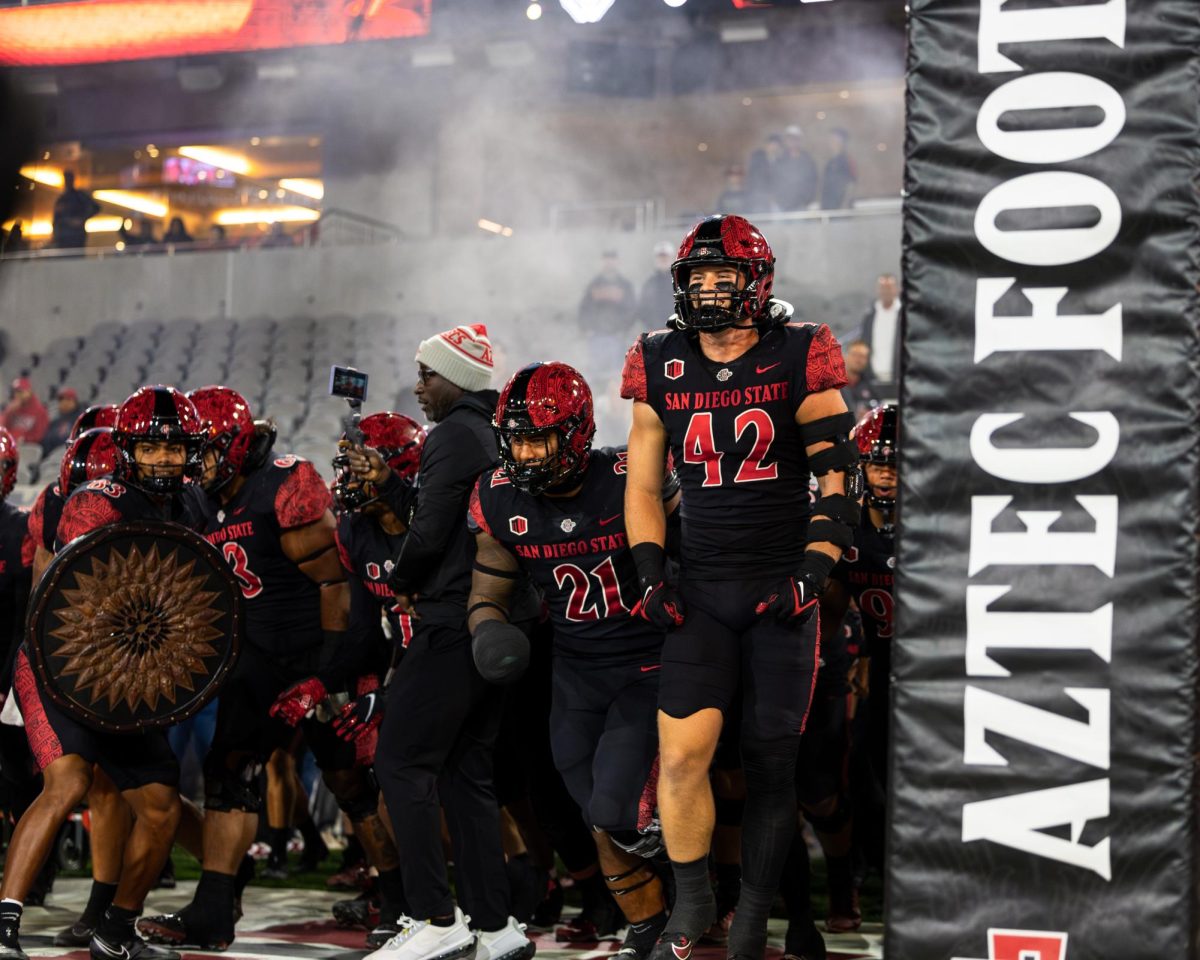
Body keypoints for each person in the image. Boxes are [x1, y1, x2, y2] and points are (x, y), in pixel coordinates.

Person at [620, 214, 857, 960]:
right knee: (684, 757)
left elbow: (836, 474)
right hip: (702, 587)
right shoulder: (659, 356)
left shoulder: (800, 349)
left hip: (778, 587)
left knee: (768, 764)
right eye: (699, 277)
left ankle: (755, 915)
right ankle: (695, 907)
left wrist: (814, 571)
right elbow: (644, 478)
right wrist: (649, 566)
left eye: (726, 276)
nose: (712, 289)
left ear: (758, 282)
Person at [468, 361, 677, 960]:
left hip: (648, 660)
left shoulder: (627, 476)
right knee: (594, 813)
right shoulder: (499, 497)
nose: (527, 454)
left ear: (577, 431)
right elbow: (488, 592)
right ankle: (649, 929)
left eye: (539, 438)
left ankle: (694, 896)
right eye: (518, 440)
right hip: (576, 671)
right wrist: (487, 632)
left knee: (617, 807)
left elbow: (691, 551)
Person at [343, 323, 533, 960]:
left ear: (458, 378)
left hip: (452, 620)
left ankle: (433, 916)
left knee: (400, 761)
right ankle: (495, 925)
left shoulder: (453, 434)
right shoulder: (492, 432)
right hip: (493, 620)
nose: (418, 387)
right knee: (464, 773)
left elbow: (426, 539)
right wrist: (390, 484)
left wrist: (400, 583)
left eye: (427, 375)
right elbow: (444, 518)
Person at [138, 387, 351, 952]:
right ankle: (215, 907)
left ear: (232, 447)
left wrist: (329, 671)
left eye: (202, 452)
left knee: (351, 779)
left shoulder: (282, 482)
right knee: (227, 770)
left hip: (315, 648)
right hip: (254, 653)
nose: (191, 465)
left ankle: (403, 898)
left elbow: (334, 581)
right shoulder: (198, 499)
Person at [0, 384, 208, 960]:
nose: (166, 458)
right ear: (126, 450)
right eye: (152, 448)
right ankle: (4, 927)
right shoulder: (98, 500)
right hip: (62, 663)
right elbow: (87, 603)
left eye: (175, 448)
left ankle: (114, 933)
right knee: (66, 783)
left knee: (163, 806)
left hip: (132, 673)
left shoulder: (194, 502)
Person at [326, 411, 425, 948]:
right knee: (391, 776)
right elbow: (364, 628)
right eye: (348, 468)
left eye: (363, 468)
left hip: (462, 657)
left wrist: (386, 693)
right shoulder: (355, 530)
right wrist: (332, 684)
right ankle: (406, 901)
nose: (349, 481)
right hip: (407, 662)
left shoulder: (432, 521)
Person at [819, 403, 897, 886]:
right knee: (863, 762)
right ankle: (872, 866)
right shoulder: (845, 521)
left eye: (896, 464)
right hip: (872, 660)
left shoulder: (941, 523)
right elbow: (832, 597)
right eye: (877, 463)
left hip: (927, 665)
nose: (885, 475)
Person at [859, 273, 900, 389]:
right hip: (873, 379)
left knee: (894, 407)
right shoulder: (870, 315)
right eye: (883, 288)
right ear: (878, 290)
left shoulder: (905, 315)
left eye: (889, 287)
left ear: (897, 289)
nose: (886, 291)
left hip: (898, 379)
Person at [772, 126, 817, 212]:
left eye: (795, 139)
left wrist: (809, 200)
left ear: (799, 140)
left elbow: (813, 180)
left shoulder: (807, 159)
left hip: (801, 206)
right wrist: (775, 199)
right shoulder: (780, 159)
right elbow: (774, 180)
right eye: (790, 139)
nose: (792, 141)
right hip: (782, 206)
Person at [51, 171, 100, 249]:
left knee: (77, 257)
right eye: (66, 179)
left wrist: (81, 219)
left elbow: (96, 208)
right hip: (63, 237)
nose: (67, 181)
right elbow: (56, 219)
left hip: (77, 236)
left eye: (69, 179)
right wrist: (55, 235)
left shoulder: (80, 196)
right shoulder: (62, 199)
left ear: (73, 180)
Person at [637, 241, 676, 328]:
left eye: (666, 257)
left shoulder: (679, 281)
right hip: (655, 330)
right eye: (660, 257)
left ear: (672, 258)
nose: (663, 260)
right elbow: (642, 308)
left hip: (676, 331)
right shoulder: (649, 283)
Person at [0, 378, 48, 446]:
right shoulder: (13, 407)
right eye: (15, 392)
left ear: (29, 391)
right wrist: (8, 412)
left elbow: (39, 435)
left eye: (20, 392)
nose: (17, 395)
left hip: (25, 446)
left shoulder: (40, 410)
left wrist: (25, 439)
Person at [745, 134, 783, 214]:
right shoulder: (758, 159)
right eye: (772, 144)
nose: (774, 147)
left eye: (776, 144)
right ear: (767, 145)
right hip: (759, 198)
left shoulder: (780, 161)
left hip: (775, 199)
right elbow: (754, 179)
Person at [820, 128, 857, 210]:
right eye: (830, 139)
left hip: (840, 210)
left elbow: (851, 185)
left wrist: (844, 206)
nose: (830, 142)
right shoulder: (830, 162)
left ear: (841, 142)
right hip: (829, 208)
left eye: (833, 139)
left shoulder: (847, 160)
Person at [840, 339, 877, 418]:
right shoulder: (834, 385)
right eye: (854, 355)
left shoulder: (869, 387)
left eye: (862, 356)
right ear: (845, 356)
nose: (858, 360)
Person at [41, 388, 80, 454]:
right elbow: (46, 439)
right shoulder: (56, 420)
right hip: (50, 455)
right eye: (61, 400)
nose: (64, 403)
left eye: (68, 399)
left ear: (75, 402)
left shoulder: (80, 419)